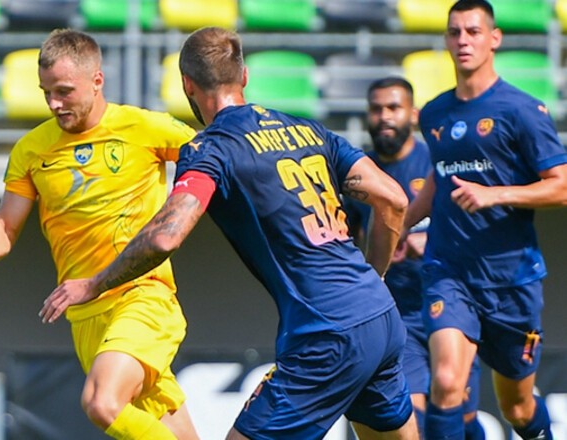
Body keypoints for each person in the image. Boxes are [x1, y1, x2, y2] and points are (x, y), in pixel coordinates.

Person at [39, 26, 420, 439]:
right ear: (244, 76)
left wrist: (94, 283)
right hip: (380, 315)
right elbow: (394, 199)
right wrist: (375, 275)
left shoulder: (212, 148)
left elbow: (166, 237)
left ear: (187, 84)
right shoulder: (309, 130)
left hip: (324, 334)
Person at [0, 29, 200, 440]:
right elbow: (6, 225)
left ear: (97, 80)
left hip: (142, 297)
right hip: (84, 316)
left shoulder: (145, 127)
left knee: (103, 404)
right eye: (46, 92)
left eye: (64, 91)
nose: (54, 103)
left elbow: (218, 158)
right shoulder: (31, 150)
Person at [402, 1, 567, 438]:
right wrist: (403, 221)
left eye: (473, 32)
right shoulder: (434, 113)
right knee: (446, 382)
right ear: (446, 40)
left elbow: (562, 186)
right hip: (449, 271)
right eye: (455, 32)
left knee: (517, 409)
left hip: (510, 279)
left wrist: (496, 195)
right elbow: (440, 177)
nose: (463, 41)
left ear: (494, 39)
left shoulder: (522, 111)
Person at [345, 76, 485, 439]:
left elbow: (474, 229)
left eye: (393, 108)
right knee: (413, 423)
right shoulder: (359, 174)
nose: (384, 117)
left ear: (413, 114)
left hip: (450, 306)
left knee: (460, 420)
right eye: (376, 109)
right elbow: (349, 243)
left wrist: (428, 242)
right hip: (398, 316)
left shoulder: (437, 165)